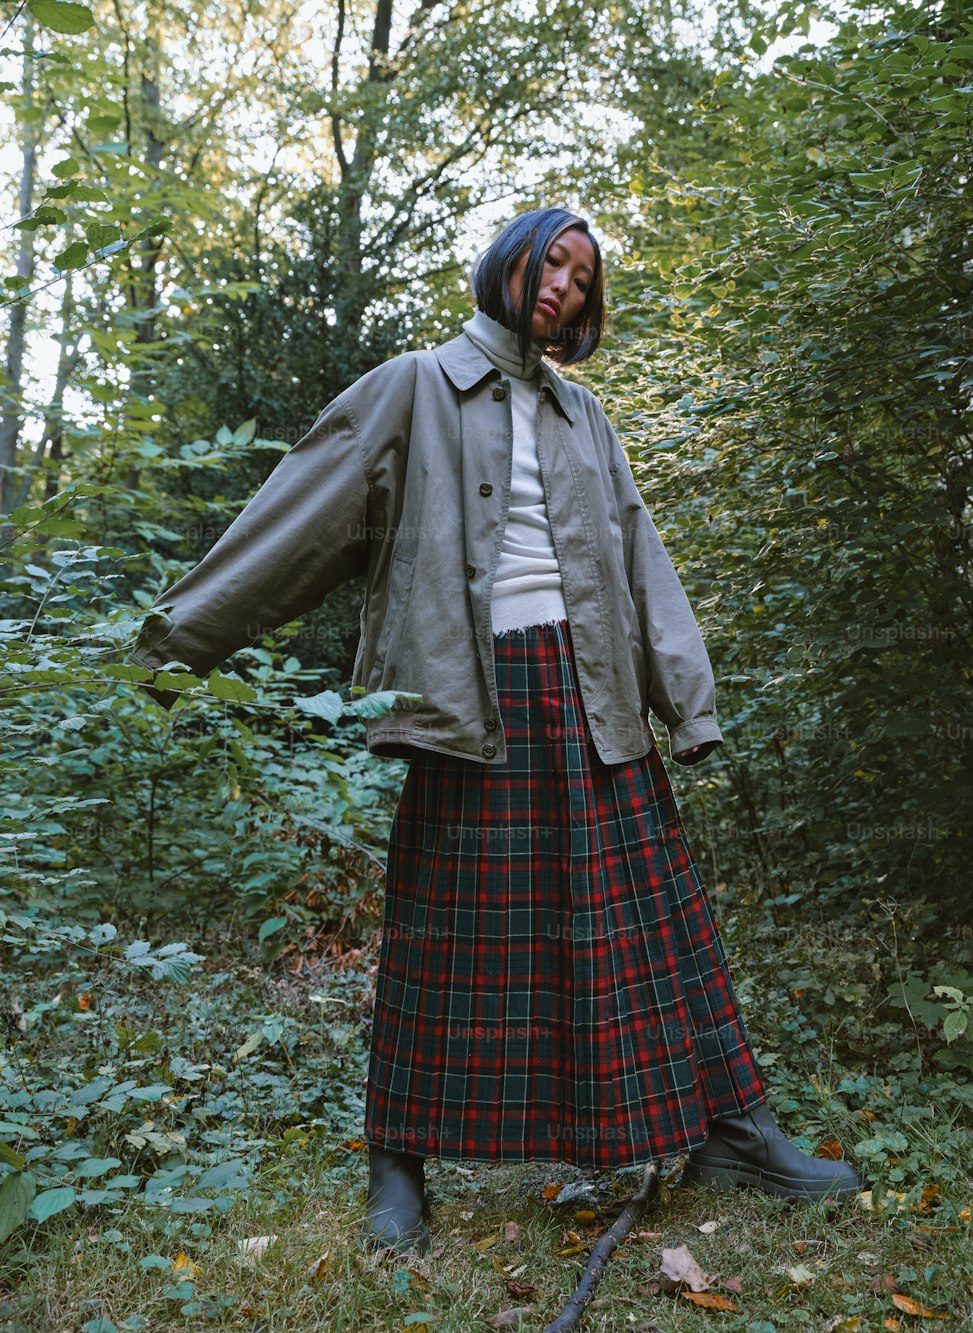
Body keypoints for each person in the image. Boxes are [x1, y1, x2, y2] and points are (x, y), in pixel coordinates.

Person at [126, 206, 861, 1260]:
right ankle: (397, 1162)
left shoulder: (584, 415)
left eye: (582, 275)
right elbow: (296, 520)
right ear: (507, 260)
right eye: (550, 258)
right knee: (443, 941)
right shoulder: (411, 388)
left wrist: (683, 699)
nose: (562, 283)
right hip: (466, 697)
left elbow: (637, 558)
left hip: (594, 694)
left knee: (653, 928)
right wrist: (172, 647)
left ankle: (732, 1130)